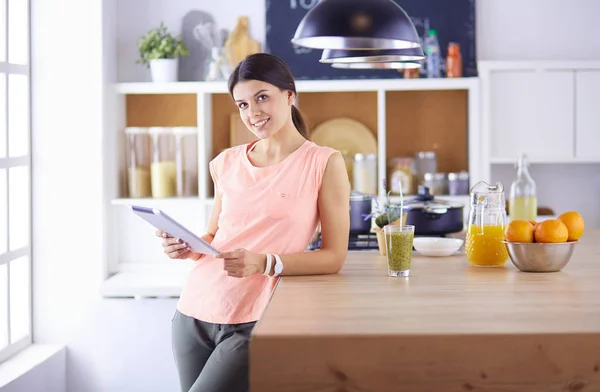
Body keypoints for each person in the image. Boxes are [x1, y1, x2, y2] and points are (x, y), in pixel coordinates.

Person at [156, 52, 350, 392]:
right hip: (195, 310)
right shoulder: (226, 162)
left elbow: (334, 257)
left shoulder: (323, 163)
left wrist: (263, 262)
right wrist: (187, 247)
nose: (253, 113)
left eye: (262, 97)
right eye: (243, 104)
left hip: (254, 318)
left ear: (289, 95)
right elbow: (215, 233)